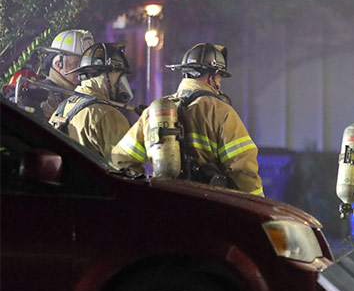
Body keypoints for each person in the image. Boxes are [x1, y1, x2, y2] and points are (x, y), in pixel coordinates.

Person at [111, 43, 264, 196]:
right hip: (207, 204)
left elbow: (121, 159)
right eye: (219, 79)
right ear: (212, 78)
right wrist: (258, 205)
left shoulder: (154, 111)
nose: (219, 84)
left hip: (164, 202)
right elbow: (244, 173)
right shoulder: (222, 113)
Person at [48, 43, 134, 157]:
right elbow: (126, 163)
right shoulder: (109, 116)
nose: (122, 84)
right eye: (119, 76)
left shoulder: (63, 108)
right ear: (107, 75)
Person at [35, 29, 95, 118]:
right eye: (77, 64)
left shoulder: (85, 92)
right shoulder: (43, 95)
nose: (83, 70)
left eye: (85, 64)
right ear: (58, 65)